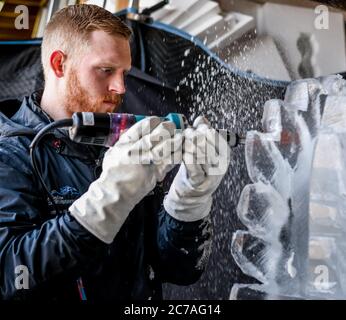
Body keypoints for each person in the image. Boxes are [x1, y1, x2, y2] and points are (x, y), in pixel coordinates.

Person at [0, 4, 229, 301]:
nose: (120, 87)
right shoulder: (11, 153)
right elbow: (11, 277)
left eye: (124, 73)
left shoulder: (122, 142)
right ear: (59, 64)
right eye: (106, 70)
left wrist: (188, 200)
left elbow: (178, 269)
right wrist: (106, 200)